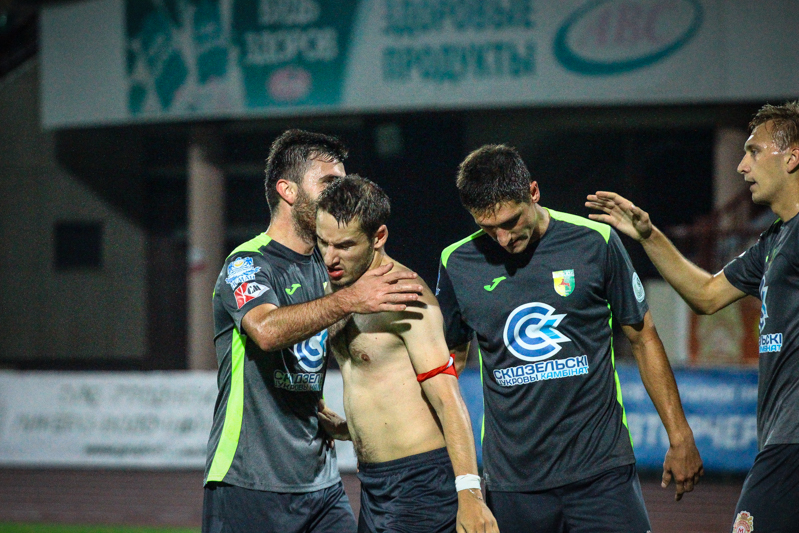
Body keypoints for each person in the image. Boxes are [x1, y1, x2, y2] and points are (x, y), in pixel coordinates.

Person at [436, 144, 704, 533]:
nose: (503, 239)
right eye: (488, 228)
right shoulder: (457, 263)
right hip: (513, 481)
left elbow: (644, 337)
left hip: (601, 471)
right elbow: (448, 367)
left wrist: (680, 435)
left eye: (510, 222)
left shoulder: (595, 241)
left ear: (533, 192)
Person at [586, 101, 799, 533]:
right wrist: (648, 235)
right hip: (780, 437)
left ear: (792, 157)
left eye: (754, 151)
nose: (742, 166)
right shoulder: (775, 240)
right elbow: (706, 294)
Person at [202, 130, 424, 533]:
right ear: (287, 190)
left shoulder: (330, 266)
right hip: (249, 481)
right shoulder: (247, 264)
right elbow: (266, 330)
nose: (339, 193)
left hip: (321, 484)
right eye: (328, 183)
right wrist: (351, 299)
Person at [313, 175, 498, 533]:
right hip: (374, 484)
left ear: (378, 237)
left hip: (422, 484)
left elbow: (448, 400)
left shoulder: (407, 298)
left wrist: (470, 495)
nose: (331, 257)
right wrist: (349, 429)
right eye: (324, 242)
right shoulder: (337, 291)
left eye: (346, 245)